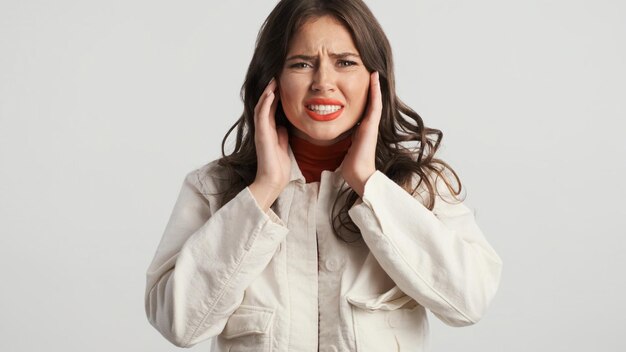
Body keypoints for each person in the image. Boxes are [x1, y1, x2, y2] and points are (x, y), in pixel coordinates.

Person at [144, 0, 503, 351]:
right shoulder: (213, 188)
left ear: (375, 80)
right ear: (273, 80)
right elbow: (180, 325)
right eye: (301, 64)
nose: (323, 82)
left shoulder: (416, 185)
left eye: (345, 62)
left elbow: (468, 302)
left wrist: (369, 184)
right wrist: (264, 190)